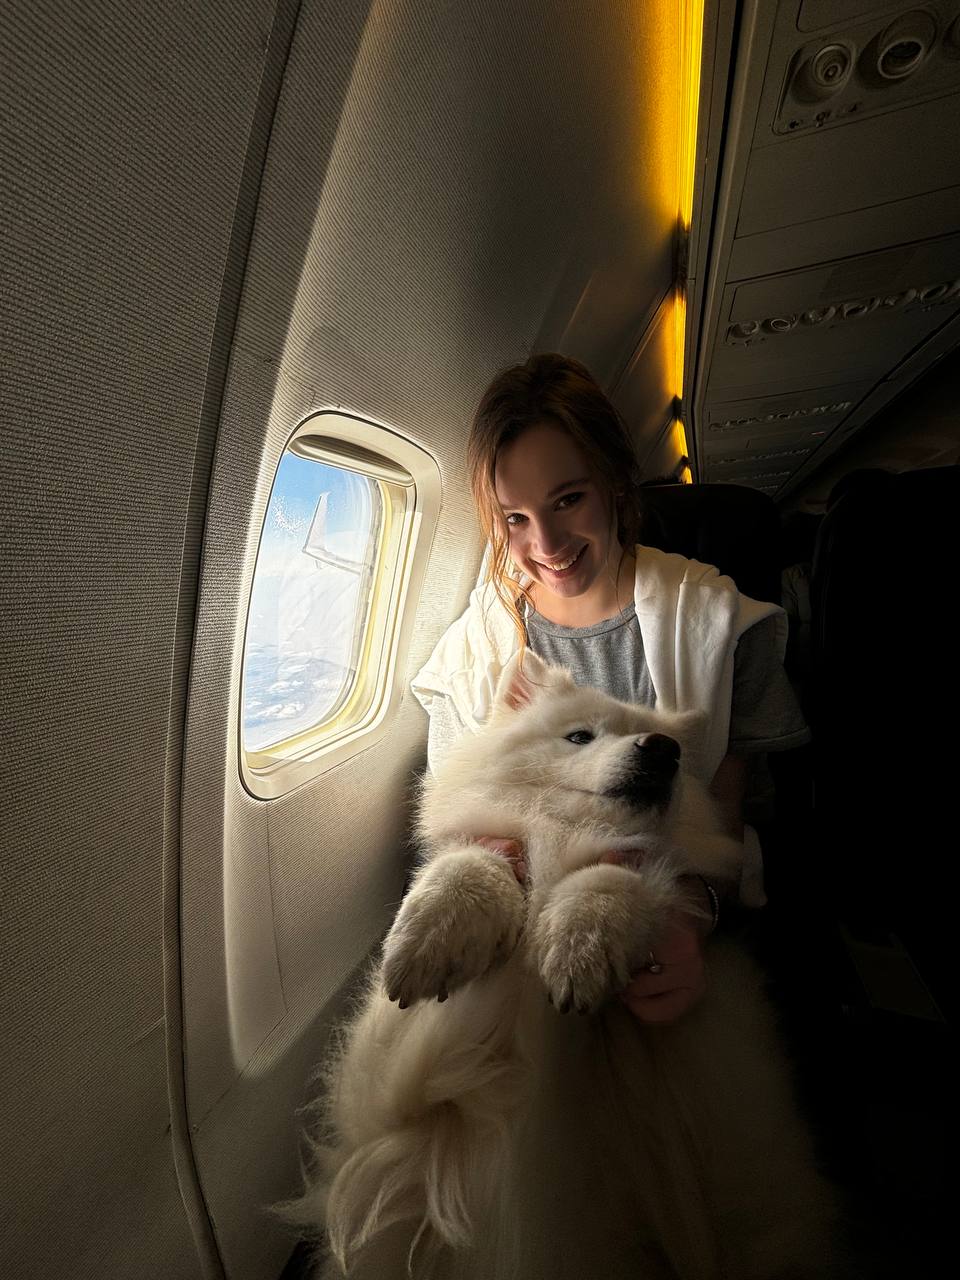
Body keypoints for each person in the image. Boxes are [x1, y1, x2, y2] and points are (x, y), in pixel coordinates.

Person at [412, 353, 809, 1023]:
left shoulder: (717, 623)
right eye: (516, 518)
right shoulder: (474, 653)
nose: (547, 542)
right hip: (518, 947)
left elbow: (725, 830)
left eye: (569, 499)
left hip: (665, 924)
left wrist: (692, 922)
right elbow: (459, 830)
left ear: (616, 484)